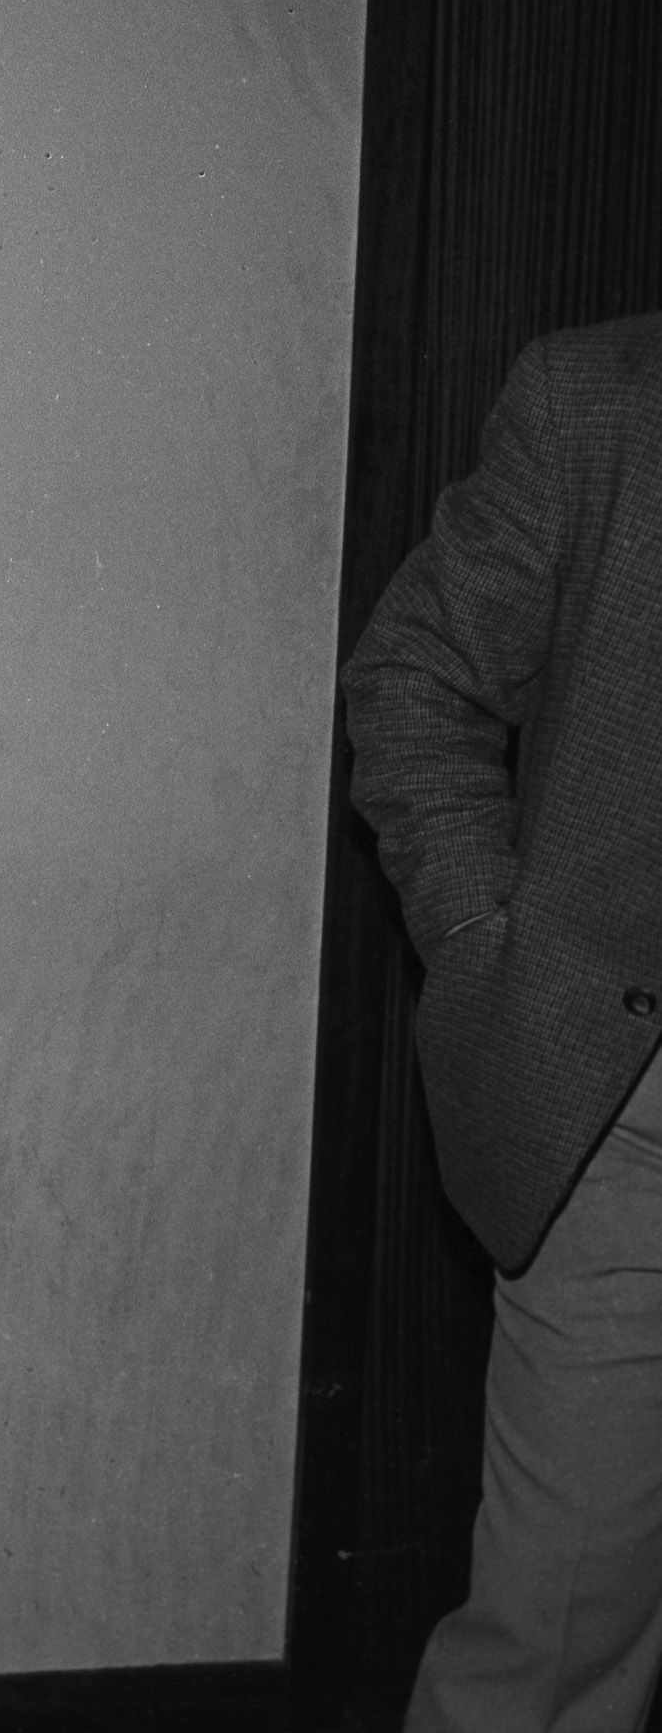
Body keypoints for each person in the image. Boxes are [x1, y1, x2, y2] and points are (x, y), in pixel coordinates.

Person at [346, 312, 662, 1733]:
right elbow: (413, 681)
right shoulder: (596, 402)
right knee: (551, 1647)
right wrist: (491, 948)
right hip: (630, 1128)